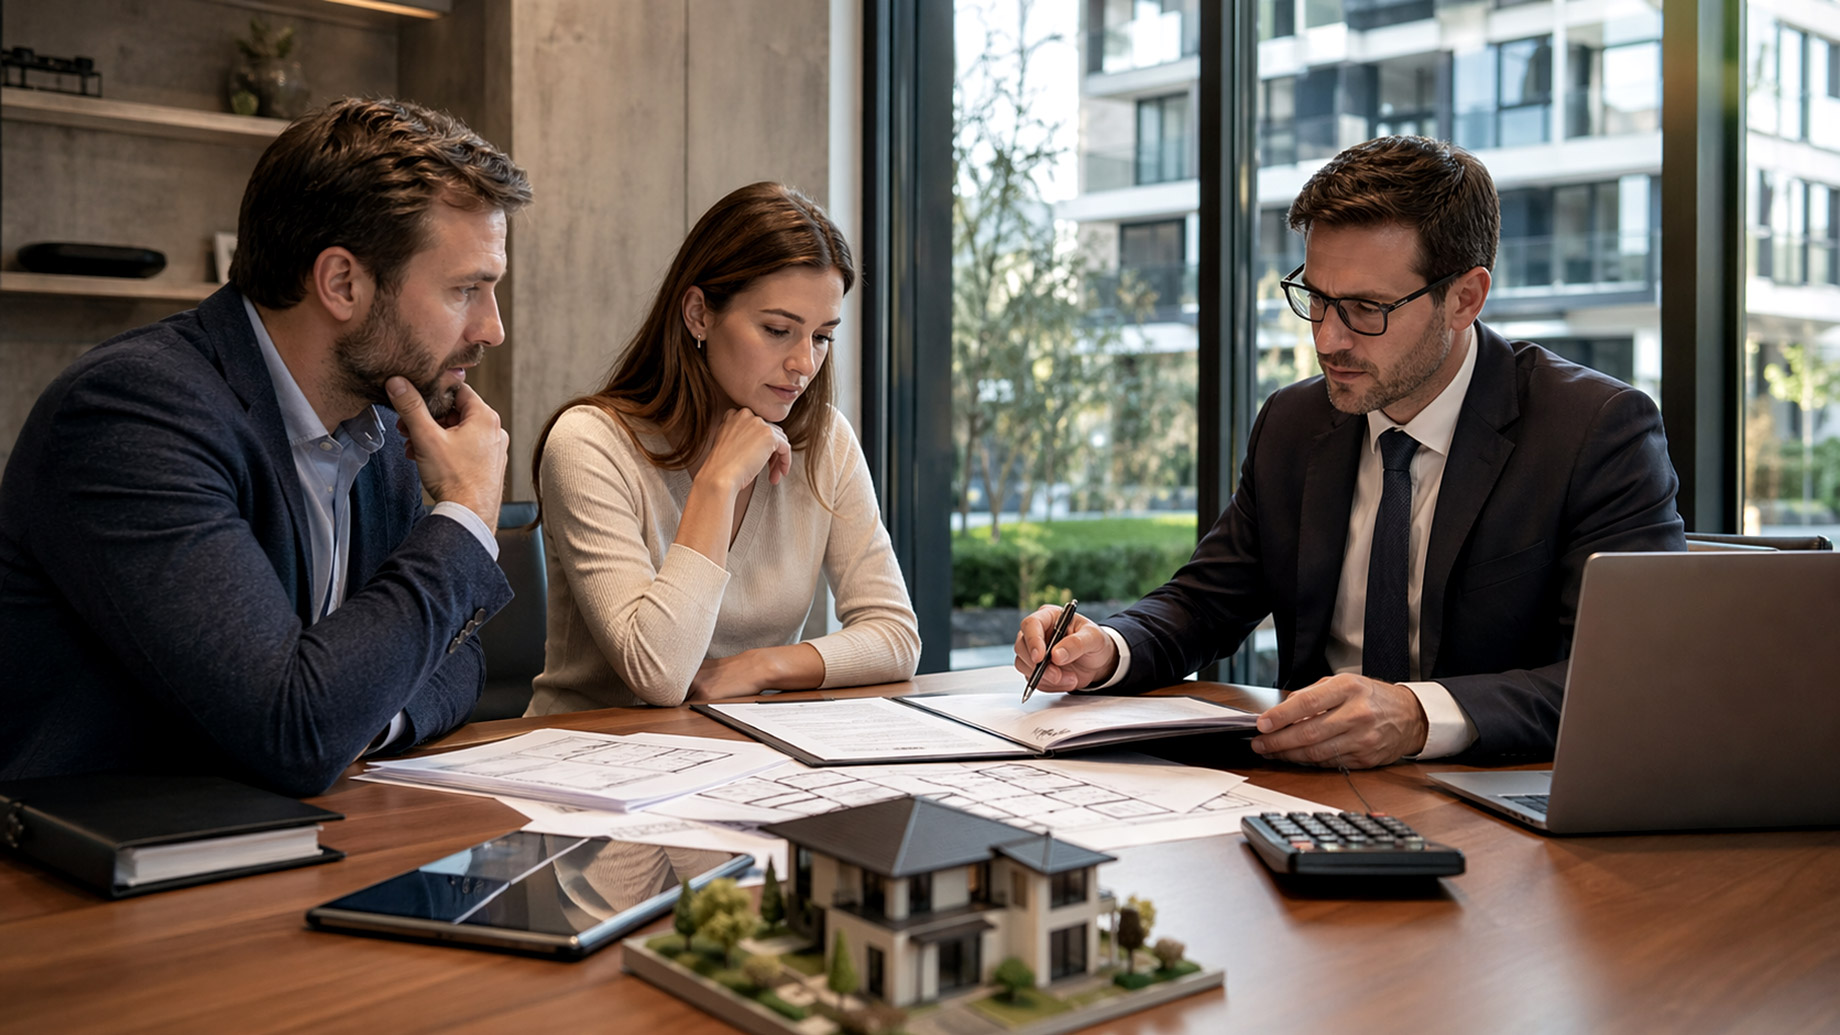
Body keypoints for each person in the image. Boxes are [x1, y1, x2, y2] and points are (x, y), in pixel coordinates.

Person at [1014, 135, 1684, 768]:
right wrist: (1109, 646)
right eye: (1316, 298)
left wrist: (1422, 715)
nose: (1329, 339)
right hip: (1310, 795)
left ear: (1465, 298)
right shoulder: (1293, 421)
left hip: (1501, 814)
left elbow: (1629, 678)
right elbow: (1207, 600)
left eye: (1367, 308)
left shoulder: (1595, 429)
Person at [0, 98, 532, 796]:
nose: (492, 329)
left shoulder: (382, 415)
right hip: (101, 875)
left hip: (283, 840)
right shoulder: (130, 415)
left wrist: (357, 710)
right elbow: (295, 731)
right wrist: (463, 512)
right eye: (467, 289)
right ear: (342, 282)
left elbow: (458, 663)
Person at [524, 182, 919, 714]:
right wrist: (717, 483)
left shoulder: (824, 442)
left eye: (822, 336)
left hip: (737, 756)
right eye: (779, 329)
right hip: (585, 763)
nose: (804, 362)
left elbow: (895, 635)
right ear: (699, 314)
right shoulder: (590, 444)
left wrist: (760, 666)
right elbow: (659, 675)